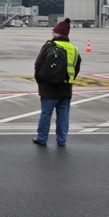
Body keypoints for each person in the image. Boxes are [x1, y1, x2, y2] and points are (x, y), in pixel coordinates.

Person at [33, 18, 81, 147]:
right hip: (66, 88)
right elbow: (76, 69)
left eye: (53, 32)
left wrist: (39, 81)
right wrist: (68, 80)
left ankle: (42, 138)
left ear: (58, 34)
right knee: (63, 116)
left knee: (46, 114)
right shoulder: (74, 49)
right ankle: (61, 140)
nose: (52, 34)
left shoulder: (49, 45)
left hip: (49, 88)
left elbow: (38, 64)